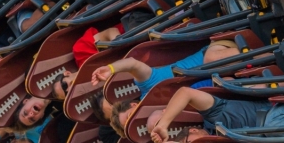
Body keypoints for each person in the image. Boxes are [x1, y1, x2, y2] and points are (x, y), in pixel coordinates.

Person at [89, 38, 241, 98]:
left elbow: (132, 63)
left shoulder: (147, 86)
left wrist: (111, 68)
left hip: (215, 54)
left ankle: (262, 52)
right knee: (227, 84)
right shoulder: (164, 114)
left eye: (129, 116)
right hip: (226, 79)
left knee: (211, 60)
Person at [149, 86, 284, 143]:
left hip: (276, 114)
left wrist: (162, 125)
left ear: (193, 130)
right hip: (277, 142)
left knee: (272, 129)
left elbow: (186, 92)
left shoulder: (213, 115)